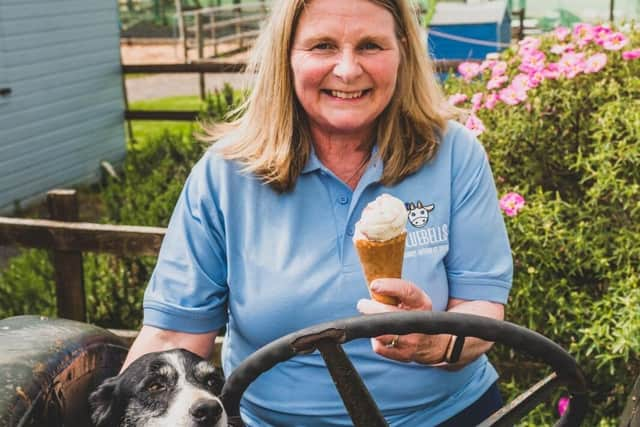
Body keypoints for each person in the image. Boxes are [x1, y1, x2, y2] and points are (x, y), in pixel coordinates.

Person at [121, 0, 513, 425]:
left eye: (370, 46)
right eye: (323, 45)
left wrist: (436, 343)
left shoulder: (453, 153)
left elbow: (480, 306)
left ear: (402, 50)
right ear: (286, 55)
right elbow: (173, 334)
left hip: (450, 416)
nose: (347, 70)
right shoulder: (224, 176)